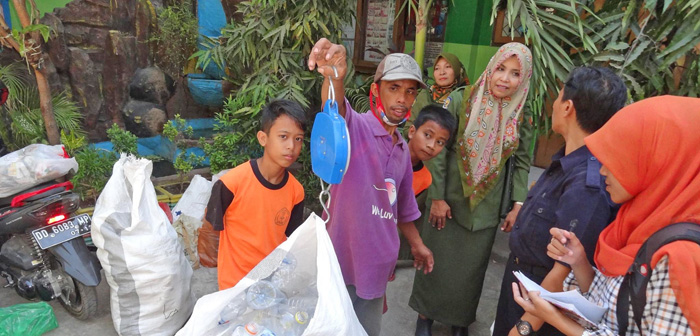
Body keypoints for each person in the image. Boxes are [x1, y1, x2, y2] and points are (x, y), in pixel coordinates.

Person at [513, 96, 700, 336]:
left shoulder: (681, 259)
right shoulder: (634, 222)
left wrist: (553, 318)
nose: (602, 170)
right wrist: (579, 262)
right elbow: (613, 306)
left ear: (658, 162)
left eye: (618, 158)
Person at [308, 38, 434, 336]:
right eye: (394, 88)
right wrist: (335, 76)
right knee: (331, 327)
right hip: (341, 258)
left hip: (377, 266)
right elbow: (335, 109)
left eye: (410, 91)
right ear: (376, 90)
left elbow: (402, 209)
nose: (402, 98)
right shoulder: (356, 127)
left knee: (365, 331)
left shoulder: (403, 149)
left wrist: (417, 245)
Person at [409, 42, 534, 336]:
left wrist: (518, 204)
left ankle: (459, 320)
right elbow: (437, 151)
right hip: (447, 202)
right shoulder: (460, 100)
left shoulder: (522, 116)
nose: (504, 78)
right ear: (490, 68)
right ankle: (425, 316)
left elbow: (522, 161)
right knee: (433, 261)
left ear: (524, 79)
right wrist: (437, 196)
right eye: (501, 69)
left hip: (486, 210)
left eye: (515, 73)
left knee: (470, 273)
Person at [493, 67, 627, 336]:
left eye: (558, 98)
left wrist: (523, 328)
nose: (553, 104)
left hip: (542, 304)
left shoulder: (587, 184)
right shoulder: (566, 161)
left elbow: (562, 272)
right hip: (522, 286)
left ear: (567, 107)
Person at [204, 99, 306, 290]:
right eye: (283, 136)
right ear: (263, 138)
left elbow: (290, 241)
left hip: (270, 287)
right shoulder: (231, 184)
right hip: (234, 287)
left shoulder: (296, 191)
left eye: (298, 138)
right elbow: (209, 230)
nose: (291, 146)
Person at [410, 52, 469, 120]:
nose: (442, 72)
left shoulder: (464, 96)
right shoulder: (425, 94)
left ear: (457, 70)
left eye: (448, 67)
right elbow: (409, 126)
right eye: (437, 68)